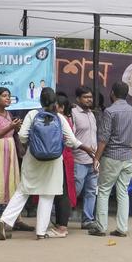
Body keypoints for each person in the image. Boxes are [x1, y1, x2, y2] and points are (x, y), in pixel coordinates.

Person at [0, 88, 91, 240]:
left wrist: (32, 145)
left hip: (33, 159)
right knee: (47, 194)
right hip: (54, 162)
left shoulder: (32, 114)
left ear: (40, 101)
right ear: (55, 102)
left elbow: (22, 136)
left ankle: (5, 220)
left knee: (23, 190)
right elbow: (72, 141)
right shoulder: (60, 118)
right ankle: (41, 232)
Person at [91, 81, 132, 237]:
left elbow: (104, 138)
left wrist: (96, 158)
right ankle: (122, 228)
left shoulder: (110, 112)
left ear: (112, 93)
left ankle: (101, 227)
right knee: (123, 192)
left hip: (111, 157)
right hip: (127, 157)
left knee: (104, 191)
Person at [0, 87, 25, 218]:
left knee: (12, 182)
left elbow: (11, 132)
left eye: (9, 95)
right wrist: (11, 126)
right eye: (4, 96)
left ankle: (13, 219)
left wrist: (16, 127)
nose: (8, 98)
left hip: (10, 149)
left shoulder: (8, 113)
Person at [50, 92, 79, 236]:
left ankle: (62, 226)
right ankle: (61, 224)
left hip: (62, 157)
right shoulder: (68, 119)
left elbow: (70, 141)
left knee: (62, 193)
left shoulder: (61, 119)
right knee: (63, 191)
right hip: (66, 157)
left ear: (60, 107)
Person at [70, 87, 99, 229]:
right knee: (75, 190)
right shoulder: (73, 113)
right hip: (79, 159)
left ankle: (87, 220)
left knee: (91, 191)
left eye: (90, 97)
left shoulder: (91, 114)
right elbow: (70, 138)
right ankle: (59, 216)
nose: (89, 99)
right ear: (78, 99)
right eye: (86, 97)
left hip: (93, 159)